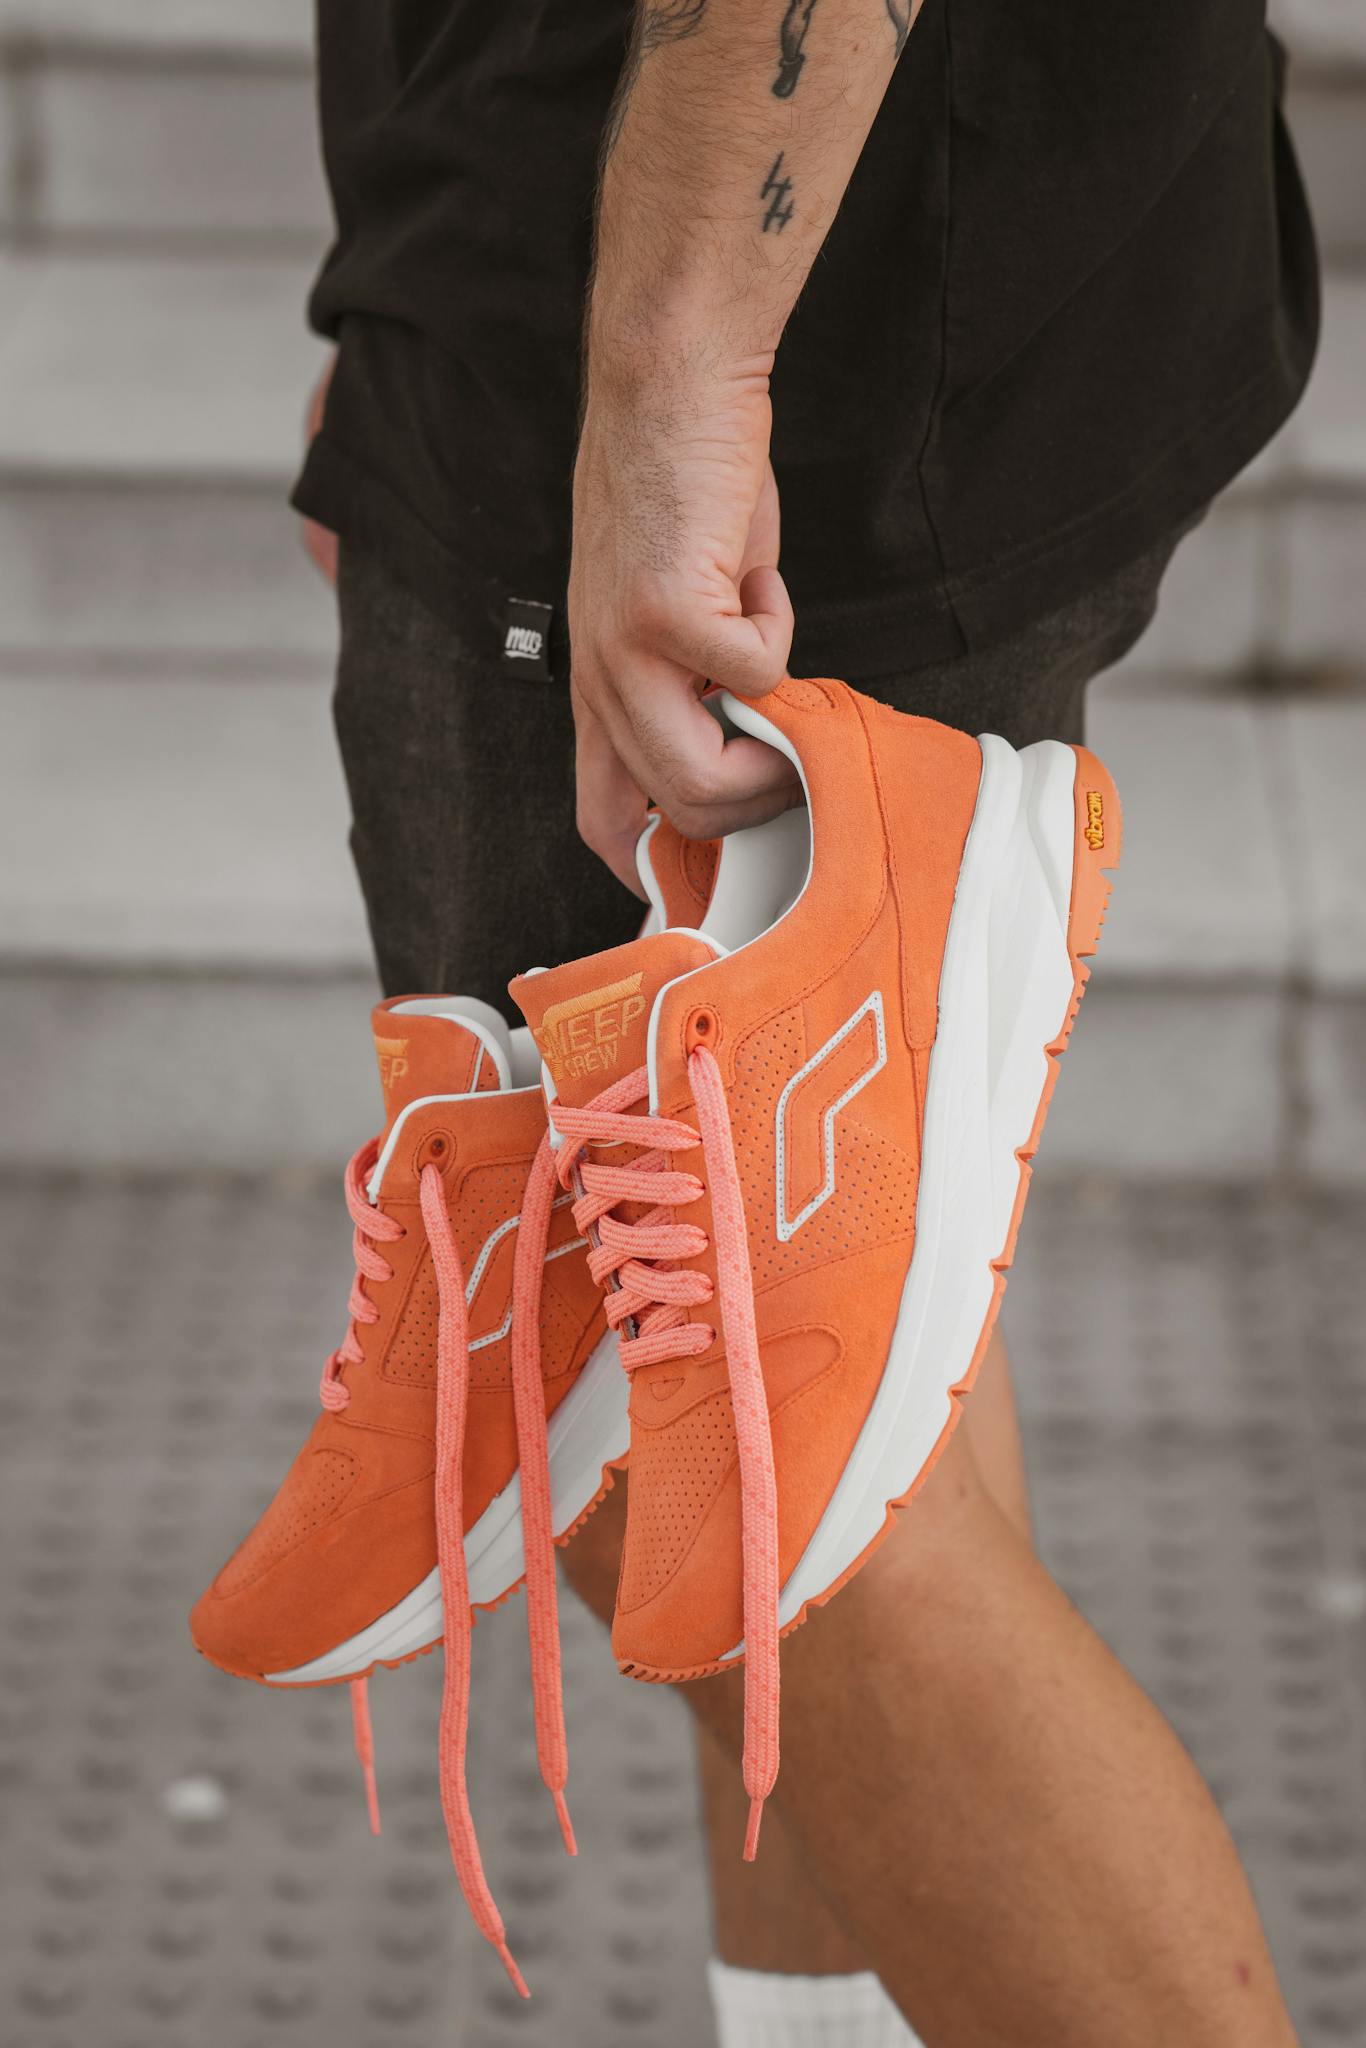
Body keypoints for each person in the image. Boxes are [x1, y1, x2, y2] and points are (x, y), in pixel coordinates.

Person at [291, 0, 1318, 2039]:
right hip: (582, 197)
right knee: (772, 1430)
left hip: (788, 278)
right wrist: (426, 258)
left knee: (724, 1458)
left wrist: (682, 365)